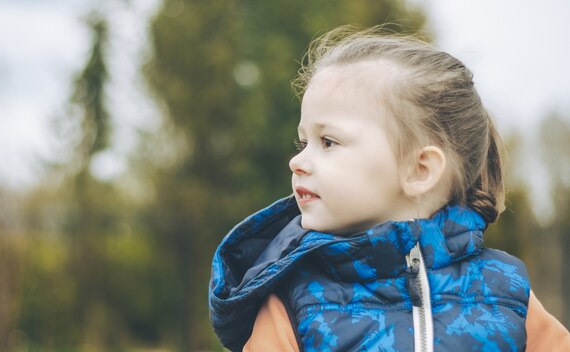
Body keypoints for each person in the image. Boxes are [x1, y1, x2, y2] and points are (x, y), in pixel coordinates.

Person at [209, 26, 570, 351]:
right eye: (303, 142)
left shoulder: (506, 293)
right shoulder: (293, 302)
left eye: (328, 142)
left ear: (420, 169)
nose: (298, 161)